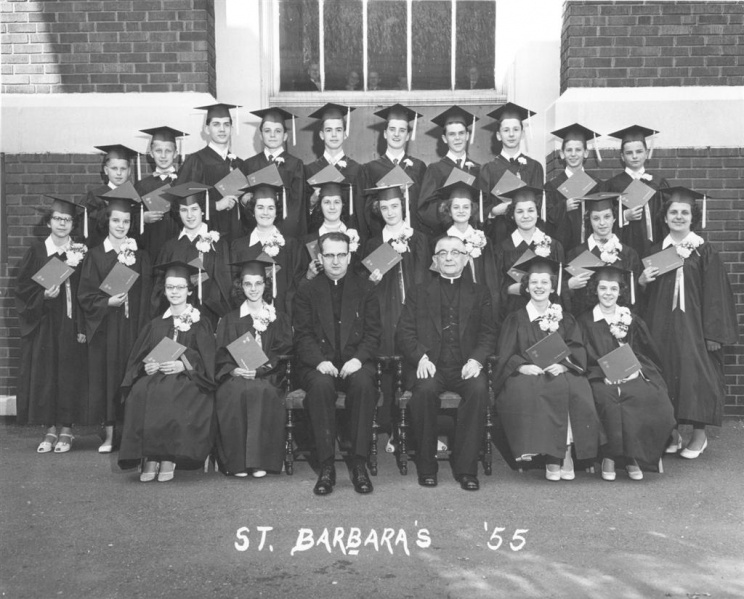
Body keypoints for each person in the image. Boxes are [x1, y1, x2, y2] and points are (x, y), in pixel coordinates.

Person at [639, 187, 737, 458]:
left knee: (696, 377)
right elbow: (647, 298)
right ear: (665, 217)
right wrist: (643, 282)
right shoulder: (655, 252)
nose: (679, 217)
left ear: (693, 217)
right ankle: (671, 433)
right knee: (664, 373)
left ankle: (699, 436)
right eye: (673, 212)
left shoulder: (704, 250)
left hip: (694, 327)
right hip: (661, 325)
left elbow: (716, 294)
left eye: (684, 212)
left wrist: (714, 334)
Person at [396, 236, 497, 490]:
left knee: (478, 389)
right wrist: (420, 356)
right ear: (435, 260)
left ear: (465, 258)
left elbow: (488, 333)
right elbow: (404, 332)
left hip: (465, 366)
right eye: (443, 253)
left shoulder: (480, 292)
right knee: (425, 390)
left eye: (455, 252)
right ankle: (427, 467)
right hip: (431, 365)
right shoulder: (419, 292)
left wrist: (476, 360)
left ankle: (466, 470)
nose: (449, 257)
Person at [493, 256, 602, 481]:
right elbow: (506, 353)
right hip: (528, 374)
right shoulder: (516, 319)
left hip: (560, 371)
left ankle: (567, 453)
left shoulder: (566, 318)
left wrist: (563, 366)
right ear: (526, 286)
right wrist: (522, 367)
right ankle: (552, 455)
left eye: (544, 282)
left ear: (553, 287)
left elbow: (576, 348)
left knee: (574, 388)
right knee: (536, 388)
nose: (539, 287)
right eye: (534, 282)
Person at [293, 232, 382, 496]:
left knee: (365, 383)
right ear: (320, 258)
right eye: (329, 255)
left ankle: (358, 464)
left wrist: (357, 360)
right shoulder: (307, 289)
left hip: (355, 360)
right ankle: (326, 466)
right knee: (320, 387)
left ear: (349, 255)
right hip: (319, 363)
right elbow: (303, 335)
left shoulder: (365, 288)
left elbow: (374, 333)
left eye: (341, 255)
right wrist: (319, 362)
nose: (335, 261)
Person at [118, 261, 216, 482]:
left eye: (180, 287)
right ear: (164, 290)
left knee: (170, 392)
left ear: (189, 291)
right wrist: (147, 366)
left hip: (189, 379)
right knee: (140, 391)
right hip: (156, 377)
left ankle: (168, 457)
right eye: (170, 287)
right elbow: (139, 357)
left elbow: (209, 360)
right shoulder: (155, 324)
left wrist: (184, 365)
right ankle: (150, 456)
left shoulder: (200, 323)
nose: (174, 292)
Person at [577, 265, 676, 481]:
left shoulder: (630, 318)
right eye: (603, 288)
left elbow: (645, 351)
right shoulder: (585, 321)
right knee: (609, 397)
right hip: (599, 377)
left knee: (648, 396)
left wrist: (634, 371)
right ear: (595, 290)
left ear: (620, 291)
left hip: (631, 374)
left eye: (613, 288)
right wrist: (602, 374)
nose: (608, 293)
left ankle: (634, 455)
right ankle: (610, 456)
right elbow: (581, 356)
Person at [77, 189, 152, 453]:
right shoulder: (95, 255)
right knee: (107, 379)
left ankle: (131, 435)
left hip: (132, 327)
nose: (121, 226)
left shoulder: (140, 256)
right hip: (107, 327)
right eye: (116, 221)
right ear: (106, 222)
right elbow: (85, 295)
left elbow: (148, 294)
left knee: (130, 377)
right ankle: (109, 436)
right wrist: (106, 303)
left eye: (126, 221)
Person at [15, 196, 88, 454]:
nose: (62, 223)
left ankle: (66, 428)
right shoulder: (37, 250)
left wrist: (82, 326)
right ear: (49, 222)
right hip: (45, 321)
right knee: (47, 374)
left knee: (68, 373)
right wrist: (43, 297)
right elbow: (22, 288)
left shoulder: (79, 250)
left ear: (73, 224)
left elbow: (85, 289)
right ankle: (49, 429)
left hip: (70, 321)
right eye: (57, 218)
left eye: (67, 220)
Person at [215, 252, 293, 478]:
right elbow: (220, 354)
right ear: (241, 286)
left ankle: (260, 462)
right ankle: (237, 463)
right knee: (236, 391)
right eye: (247, 284)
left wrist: (261, 369)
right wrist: (233, 369)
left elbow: (283, 350)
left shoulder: (277, 317)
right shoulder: (230, 318)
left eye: (258, 283)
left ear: (265, 285)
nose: (253, 289)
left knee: (261, 391)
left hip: (269, 376)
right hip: (236, 376)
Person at [363, 183, 430, 432]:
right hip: (386, 312)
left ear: (403, 206)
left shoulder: (420, 239)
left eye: (394, 206)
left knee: (415, 366)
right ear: (378, 210)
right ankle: (391, 427)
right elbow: (365, 288)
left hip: (415, 312)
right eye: (384, 208)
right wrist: (372, 281)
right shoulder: (373, 245)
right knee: (389, 369)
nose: (390, 212)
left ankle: (413, 430)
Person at [153, 183, 233, 329]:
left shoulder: (218, 244)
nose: (190, 216)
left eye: (194, 209)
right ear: (178, 212)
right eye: (184, 210)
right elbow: (158, 290)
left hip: (210, 318)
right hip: (175, 319)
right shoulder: (169, 247)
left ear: (203, 210)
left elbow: (225, 285)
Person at [231, 182, 303, 318]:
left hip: (283, 315)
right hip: (249, 317)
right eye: (260, 207)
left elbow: (296, 285)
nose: (265, 213)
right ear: (252, 211)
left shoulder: (291, 245)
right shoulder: (239, 246)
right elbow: (236, 287)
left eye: (270, 208)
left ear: (277, 211)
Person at [177, 103, 244, 243]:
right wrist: (216, 206)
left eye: (226, 124)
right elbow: (180, 203)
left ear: (232, 128)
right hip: (206, 237)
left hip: (236, 236)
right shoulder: (196, 161)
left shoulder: (240, 164)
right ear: (207, 129)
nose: (222, 129)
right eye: (216, 124)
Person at [478, 102, 543, 247]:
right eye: (506, 130)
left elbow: (540, 201)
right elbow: (482, 205)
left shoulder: (534, 167)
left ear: (522, 133)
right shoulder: (488, 169)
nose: (511, 134)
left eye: (516, 129)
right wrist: (494, 211)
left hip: (529, 234)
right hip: (499, 234)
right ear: (498, 136)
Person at [565, 194, 641, 317]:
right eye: (595, 218)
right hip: (585, 324)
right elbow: (570, 297)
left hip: (619, 321)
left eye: (607, 217)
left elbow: (634, 295)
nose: (602, 223)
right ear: (589, 220)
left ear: (614, 218)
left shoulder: (628, 254)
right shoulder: (576, 254)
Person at [494, 186, 564, 318]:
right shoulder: (502, 248)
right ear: (512, 216)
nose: (526, 216)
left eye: (531, 210)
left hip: (547, 313)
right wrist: (509, 289)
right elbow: (496, 285)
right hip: (513, 311)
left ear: (538, 213)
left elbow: (560, 284)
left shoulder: (553, 246)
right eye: (519, 211)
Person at [602, 125, 669, 258]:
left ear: (646, 152)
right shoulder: (613, 185)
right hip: (625, 244)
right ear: (622, 156)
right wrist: (624, 216)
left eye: (639, 151)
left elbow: (667, 216)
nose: (634, 156)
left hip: (655, 244)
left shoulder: (658, 182)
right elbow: (602, 215)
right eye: (629, 153)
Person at [304, 103, 368, 241]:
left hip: (349, 239)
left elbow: (361, 214)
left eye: (338, 130)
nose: (334, 135)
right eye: (328, 130)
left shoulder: (357, 170)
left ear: (345, 134)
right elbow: (303, 214)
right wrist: (312, 201)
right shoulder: (310, 170)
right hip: (318, 238)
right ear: (321, 135)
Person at [435, 180, 500, 313]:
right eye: (456, 207)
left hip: (482, 305)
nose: (461, 211)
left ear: (472, 211)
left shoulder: (484, 241)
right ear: (448, 211)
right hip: (451, 305)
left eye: (466, 207)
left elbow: (492, 280)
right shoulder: (440, 242)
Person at [241, 108, 307, 239]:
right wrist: (243, 200)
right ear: (260, 136)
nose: (272, 135)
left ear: (285, 136)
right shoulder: (249, 164)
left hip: (286, 232)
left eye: (278, 131)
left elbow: (297, 204)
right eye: (267, 131)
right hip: (256, 230)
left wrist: (282, 234)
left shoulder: (295, 164)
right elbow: (244, 202)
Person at [363, 103, 427, 234]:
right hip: (383, 235)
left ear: (408, 136)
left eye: (402, 130)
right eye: (392, 129)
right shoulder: (371, 168)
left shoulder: (419, 166)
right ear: (385, 134)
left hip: (414, 234)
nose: (396, 134)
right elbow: (367, 209)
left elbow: (423, 206)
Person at [418, 106, 480, 238]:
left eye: (461, 133)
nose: (457, 138)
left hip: (472, 236)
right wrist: (450, 210)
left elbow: (483, 204)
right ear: (444, 138)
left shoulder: (478, 169)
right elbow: (425, 208)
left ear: (467, 135)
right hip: (445, 236)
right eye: (452, 134)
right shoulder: (435, 169)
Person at [544, 123, 603, 252]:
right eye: (569, 150)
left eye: (578, 150)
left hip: (592, 246)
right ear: (562, 154)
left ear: (586, 153)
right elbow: (546, 218)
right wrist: (563, 206)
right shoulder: (552, 186)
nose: (573, 154)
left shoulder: (596, 184)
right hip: (562, 246)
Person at [134, 126, 186, 262]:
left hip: (179, 247)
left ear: (176, 153)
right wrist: (142, 218)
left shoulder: (183, 183)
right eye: (158, 151)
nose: (163, 156)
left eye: (168, 151)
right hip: (150, 248)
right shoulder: (141, 186)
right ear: (151, 153)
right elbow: (129, 216)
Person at [300, 169, 361, 281]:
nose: (332, 207)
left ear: (343, 205)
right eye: (327, 202)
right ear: (320, 205)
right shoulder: (308, 241)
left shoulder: (354, 237)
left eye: (336, 202)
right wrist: (308, 275)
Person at [86, 144, 137, 248]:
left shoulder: (134, 196)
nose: (119, 173)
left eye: (123, 169)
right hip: (101, 250)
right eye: (114, 168)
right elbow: (89, 228)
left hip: (128, 251)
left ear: (129, 171)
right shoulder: (95, 195)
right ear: (106, 170)